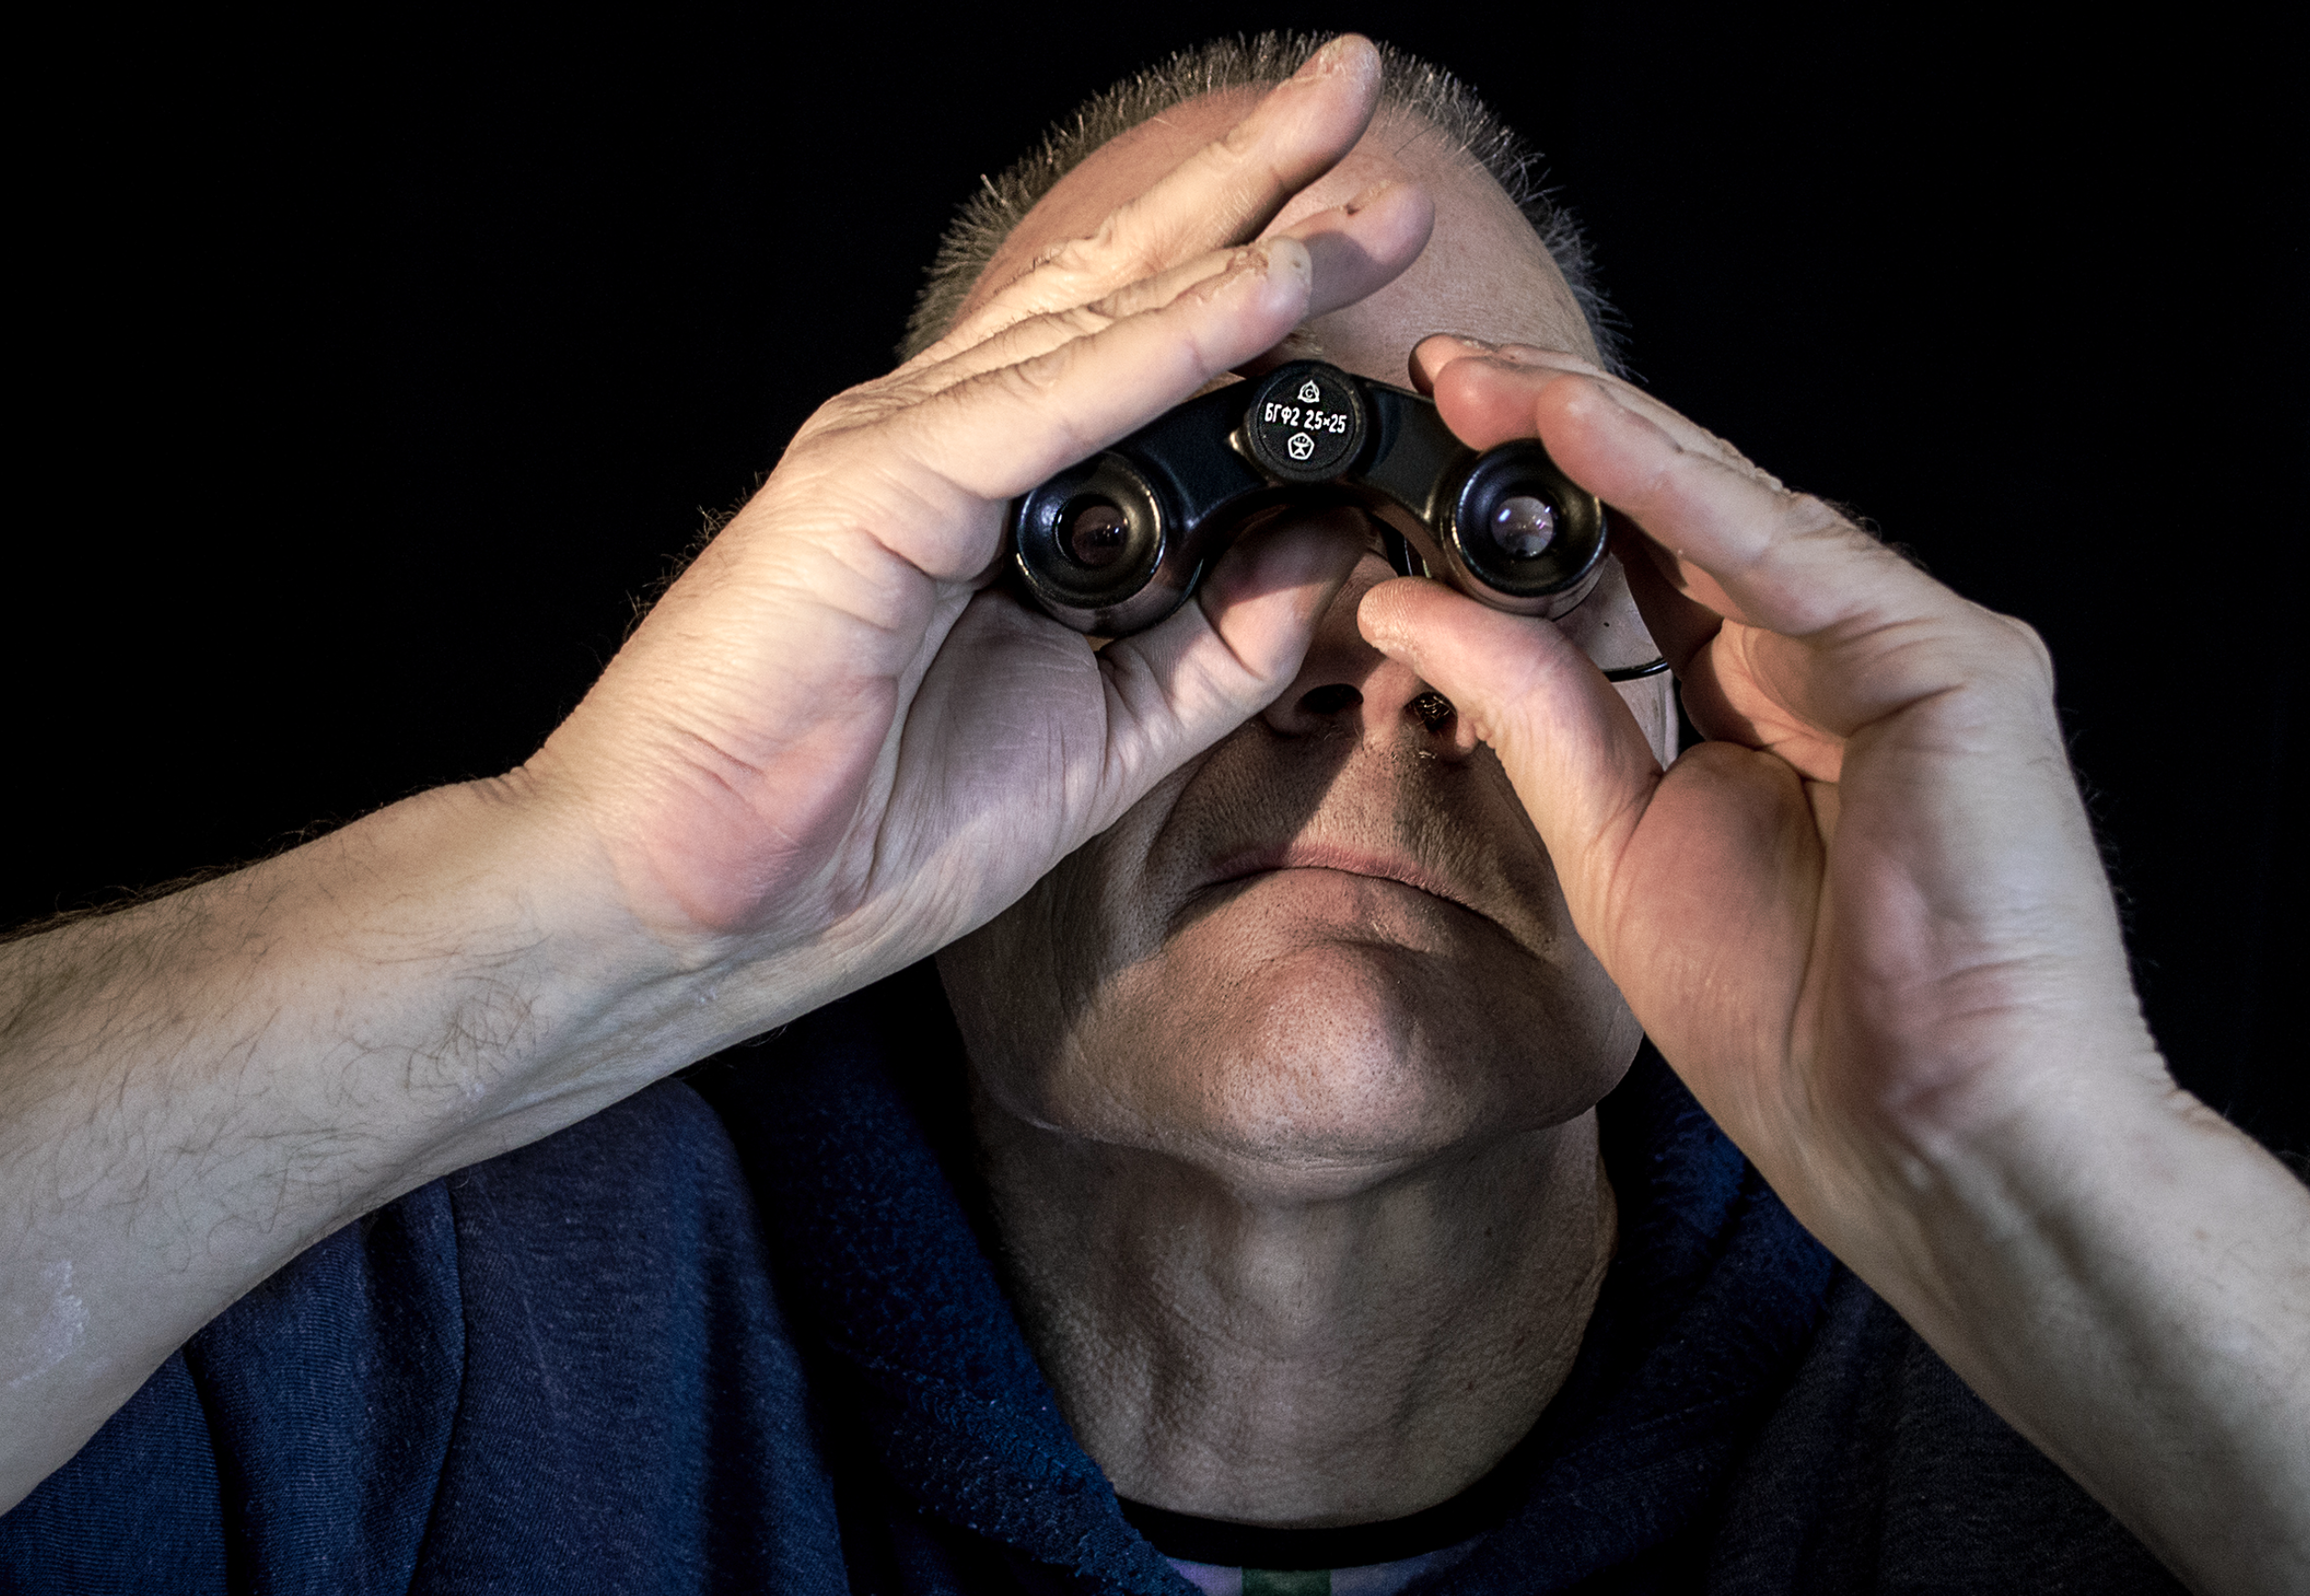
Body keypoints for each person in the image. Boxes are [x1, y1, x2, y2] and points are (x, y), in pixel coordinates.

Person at [2, 30, 2303, 1595]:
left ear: (1680, 644)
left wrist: (2044, 1169)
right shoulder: (449, 1355)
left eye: (1504, 530)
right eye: (1121, 529)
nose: (1353, 667)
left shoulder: (2088, 1412)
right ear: (879, 614)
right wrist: (585, 885)